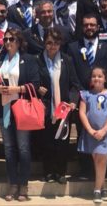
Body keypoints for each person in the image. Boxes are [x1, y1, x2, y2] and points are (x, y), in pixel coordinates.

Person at [0, 29, 40, 201]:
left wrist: (17, 89)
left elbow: (35, 84)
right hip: (5, 108)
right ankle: (12, 183)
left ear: (19, 41)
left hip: (22, 108)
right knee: (8, 148)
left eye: (11, 39)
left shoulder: (28, 60)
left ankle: (23, 184)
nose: (7, 42)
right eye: (5, 39)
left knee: (23, 148)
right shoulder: (1, 60)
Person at [36, 28, 77, 184]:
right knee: (47, 142)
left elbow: (74, 84)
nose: (52, 46)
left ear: (60, 44)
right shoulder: (37, 59)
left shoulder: (67, 60)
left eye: (56, 43)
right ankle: (48, 172)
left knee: (62, 142)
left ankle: (60, 172)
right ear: (44, 43)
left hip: (64, 108)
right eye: (49, 42)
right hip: (45, 107)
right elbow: (31, 80)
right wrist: (37, 87)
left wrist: (73, 100)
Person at [78, 67, 107, 204]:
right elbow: (82, 113)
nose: (96, 78)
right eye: (94, 76)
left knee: (102, 159)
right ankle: (103, 188)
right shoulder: (86, 95)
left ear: (105, 79)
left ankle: (96, 190)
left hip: (106, 133)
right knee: (96, 159)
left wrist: (103, 131)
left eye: (100, 76)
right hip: (92, 132)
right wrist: (90, 130)